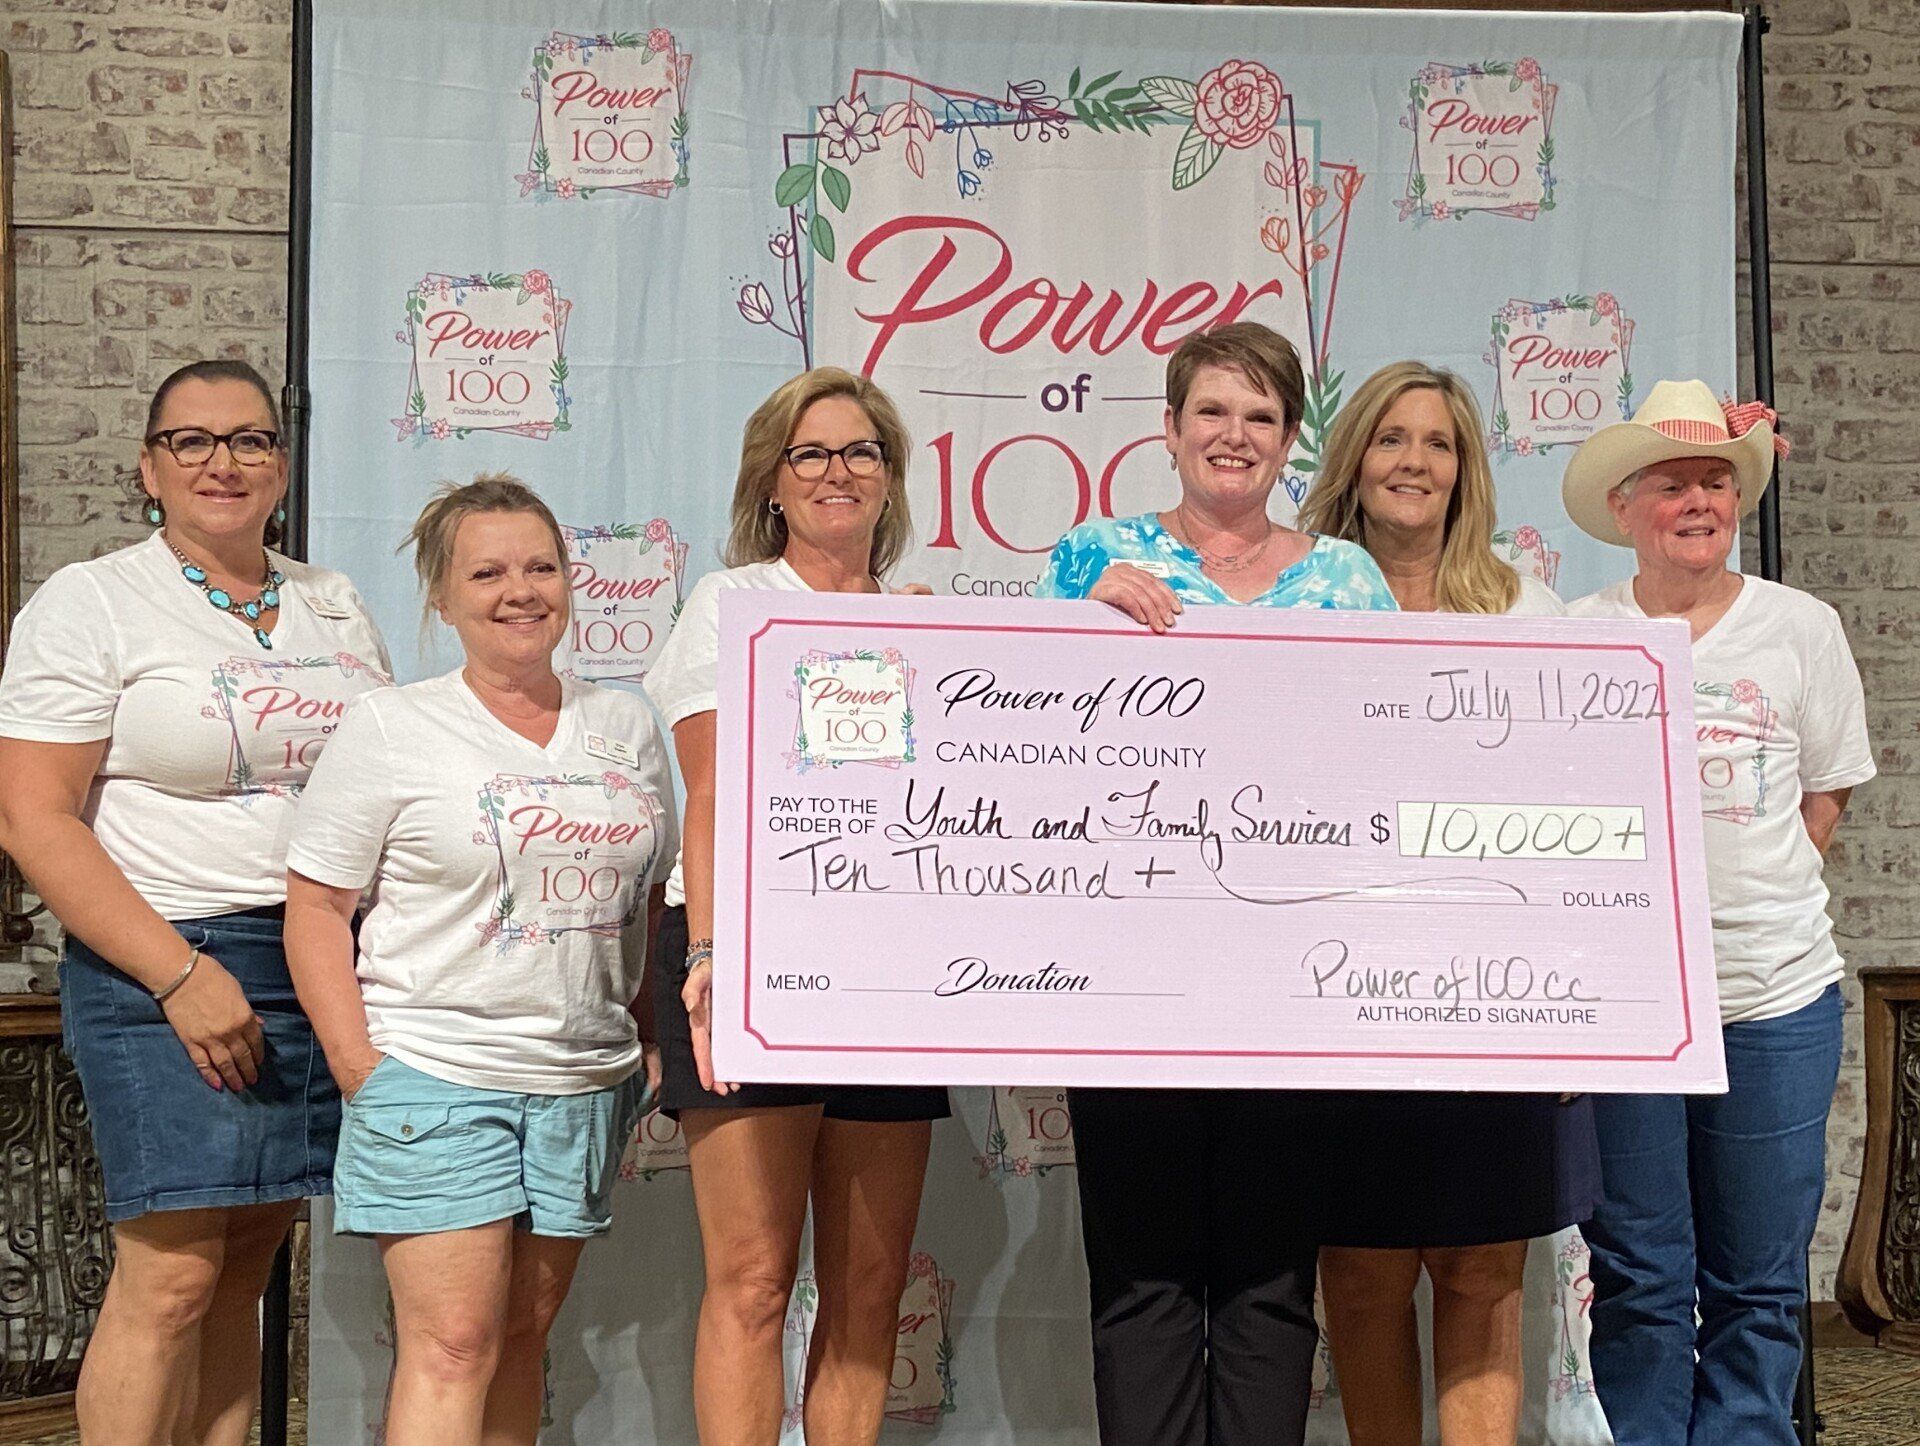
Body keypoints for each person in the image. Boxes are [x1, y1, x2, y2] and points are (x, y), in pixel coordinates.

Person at [0, 359, 391, 1445]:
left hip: (316, 958)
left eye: (250, 439)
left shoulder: (333, 602)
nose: (223, 461)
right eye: (192, 441)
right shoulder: (91, 603)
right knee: (169, 1278)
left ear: (282, 462)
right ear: (149, 467)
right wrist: (180, 973)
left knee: (249, 1263)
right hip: (162, 959)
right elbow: (35, 818)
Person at [1035, 321, 1395, 1446]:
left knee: (1270, 1280)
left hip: (1293, 977)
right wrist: (1079, 625)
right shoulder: (1093, 556)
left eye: (1261, 416)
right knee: (1141, 1275)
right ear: (1172, 428)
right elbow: (1017, 739)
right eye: (1213, 413)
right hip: (1130, 975)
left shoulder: (1345, 574)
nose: (1234, 436)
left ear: (1290, 438)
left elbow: (1385, 755)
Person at [283, 475, 676, 1446]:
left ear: (570, 582)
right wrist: (359, 1070)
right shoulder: (391, 727)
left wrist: (643, 1034)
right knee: (453, 1344)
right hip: (436, 1072)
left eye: (540, 566)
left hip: (583, 1080)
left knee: (520, 1337)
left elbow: (650, 900)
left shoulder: (625, 725)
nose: (520, 589)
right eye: (488, 570)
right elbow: (316, 909)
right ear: (442, 596)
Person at [1295, 361, 1601, 1446]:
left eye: (1437, 443)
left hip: (1497, 995)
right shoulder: (1298, 601)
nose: (1413, 462)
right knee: (1367, 1274)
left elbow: (1585, 818)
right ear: (1354, 460)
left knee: (1481, 1271)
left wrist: (1576, 1015)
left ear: (1466, 469)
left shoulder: (1527, 609)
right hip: (1340, 988)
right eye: (1390, 439)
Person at [1561, 380, 1872, 1444]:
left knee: (1759, 1278)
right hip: (1628, 1012)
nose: (1698, 500)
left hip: (1777, 1001)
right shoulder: (1575, 635)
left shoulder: (1802, 628)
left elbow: (1825, 794)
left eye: (1716, 482)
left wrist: (1738, 902)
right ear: (1623, 507)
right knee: (1641, 1275)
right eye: (1673, 483)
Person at [645, 366, 948, 1445]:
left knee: (869, 1293)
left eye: (861, 451)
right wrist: (715, 956)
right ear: (773, 482)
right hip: (750, 950)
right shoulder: (735, 604)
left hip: (887, 964)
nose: (838, 471)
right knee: (755, 1282)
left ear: (890, 479)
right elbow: (713, 791)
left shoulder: (930, 627)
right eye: (811, 453)